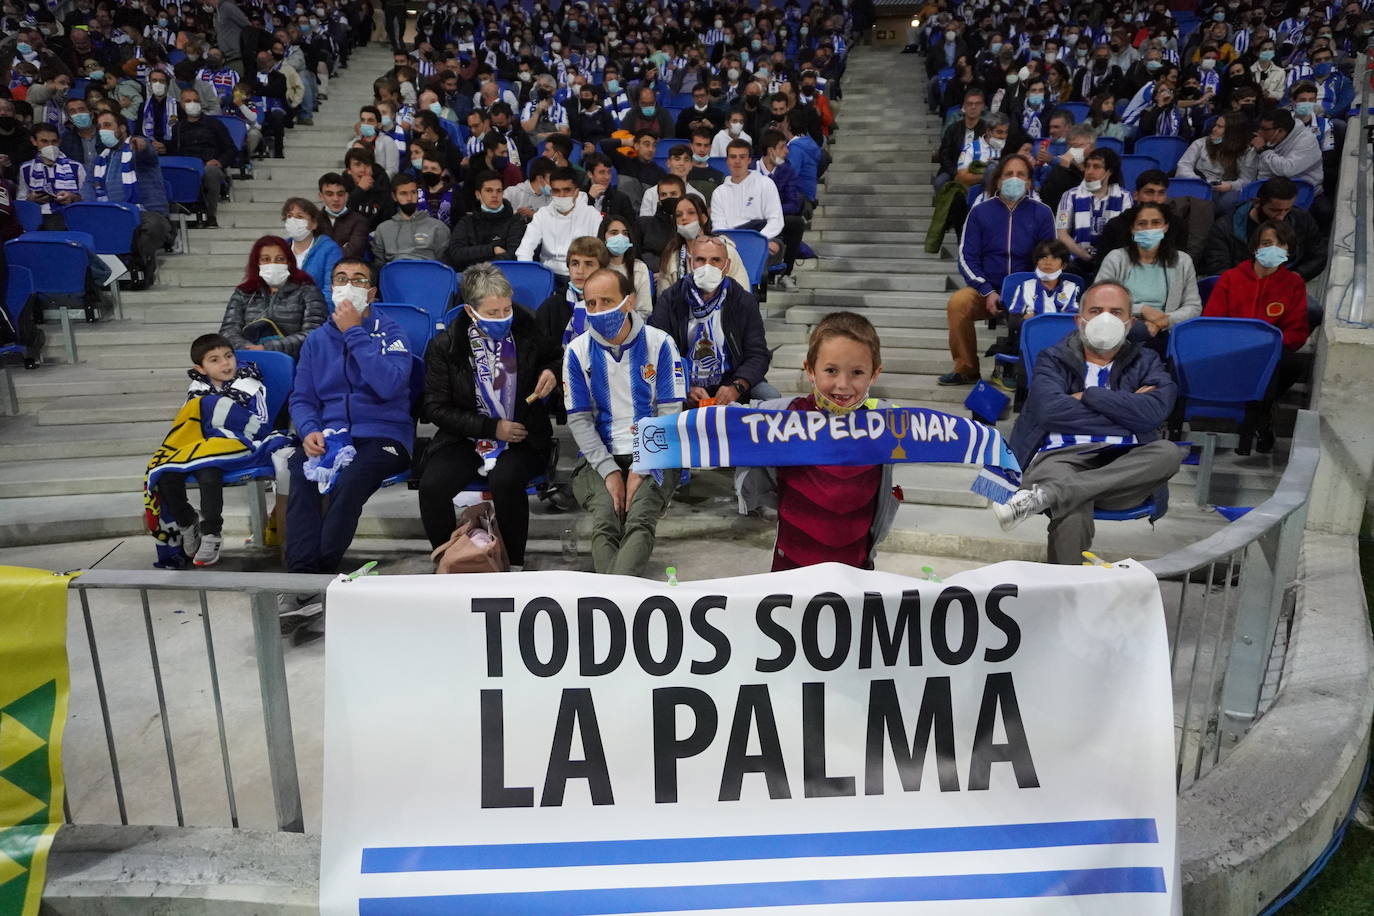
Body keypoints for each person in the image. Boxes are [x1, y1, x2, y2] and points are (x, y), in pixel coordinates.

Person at [997, 283, 1183, 565]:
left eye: (1115, 312)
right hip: (1059, 459)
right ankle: (1067, 594)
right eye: (1095, 311)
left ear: (1130, 323)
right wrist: (1125, 408)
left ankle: (1049, 495)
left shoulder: (1147, 360)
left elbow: (1153, 413)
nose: (1104, 319)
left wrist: (1088, 395)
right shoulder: (1053, 358)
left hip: (1125, 467)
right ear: (1079, 319)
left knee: (1168, 453)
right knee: (1073, 508)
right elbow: (1050, 411)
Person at [279, 258, 414, 628]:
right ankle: (303, 578)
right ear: (330, 288)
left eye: (357, 280)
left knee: (352, 479)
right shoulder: (317, 341)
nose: (348, 285)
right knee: (302, 474)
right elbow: (302, 397)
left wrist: (355, 332)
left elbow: (390, 385)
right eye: (341, 279)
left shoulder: (392, 333)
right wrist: (308, 429)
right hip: (331, 433)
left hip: (385, 435)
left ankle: (313, 583)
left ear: (371, 292)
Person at [418, 263, 560, 570]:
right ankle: (448, 559)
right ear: (470, 311)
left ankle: (515, 564)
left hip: (523, 435)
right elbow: (435, 408)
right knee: (432, 485)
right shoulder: (446, 345)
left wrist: (552, 372)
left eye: (506, 309)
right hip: (466, 437)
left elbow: (556, 356)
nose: (503, 318)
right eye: (492, 313)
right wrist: (491, 428)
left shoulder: (527, 326)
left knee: (506, 479)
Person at [737, 312, 900, 571]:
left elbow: (953, 436)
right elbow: (714, 427)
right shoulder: (784, 418)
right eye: (831, 371)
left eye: (857, 372)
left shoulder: (887, 425)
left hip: (856, 571)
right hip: (791, 569)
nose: (843, 385)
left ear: (874, 374)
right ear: (810, 370)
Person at [563, 267, 685, 576]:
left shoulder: (661, 344)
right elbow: (579, 421)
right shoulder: (576, 352)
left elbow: (669, 415)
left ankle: (610, 600)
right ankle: (617, 600)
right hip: (599, 457)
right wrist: (609, 472)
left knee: (639, 518)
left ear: (628, 301)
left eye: (607, 301)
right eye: (591, 304)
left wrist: (640, 467)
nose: (598, 311)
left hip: (654, 451)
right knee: (606, 519)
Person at [940, 154, 1056, 386]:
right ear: (998, 180)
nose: (1015, 179)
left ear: (1030, 182)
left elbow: (1050, 259)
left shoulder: (1042, 213)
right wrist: (986, 290)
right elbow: (966, 257)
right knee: (958, 303)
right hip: (987, 289)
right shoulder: (980, 212)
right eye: (1008, 174)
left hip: (1029, 291)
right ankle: (967, 369)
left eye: (1021, 175)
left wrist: (1028, 293)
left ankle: (1032, 373)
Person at [156, 333, 270, 567]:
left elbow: (260, 422)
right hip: (200, 445)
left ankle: (211, 533)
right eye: (215, 360)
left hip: (235, 445)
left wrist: (221, 413)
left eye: (228, 356)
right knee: (165, 473)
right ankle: (187, 522)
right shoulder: (197, 387)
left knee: (208, 475)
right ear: (201, 367)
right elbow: (189, 420)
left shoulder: (251, 384)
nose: (225, 363)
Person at [1204, 219, 1310, 454]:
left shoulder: (1293, 283)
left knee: (1287, 364)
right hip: (1231, 349)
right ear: (1255, 247)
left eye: (1280, 244)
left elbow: (1297, 330)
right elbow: (1212, 320)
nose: (1273, 248)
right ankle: (1258, 419)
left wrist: (1271, 344)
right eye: (1267, 243)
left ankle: (1260, 418)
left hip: (1270, 351)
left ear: (1288, 250)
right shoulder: (1231, 278)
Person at [650, 233, 777, 407]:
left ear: (727, 265)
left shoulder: (743, 301)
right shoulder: (670, 299)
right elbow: (656, 351)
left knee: (771, 398)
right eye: (700, 260)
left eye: (715, 260)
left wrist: (737, 386)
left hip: (732, 382)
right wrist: (684, 386)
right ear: (690, 263)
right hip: (682, 384)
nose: (707, 266)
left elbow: (758, 355)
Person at [1096, 203, 1202, 352]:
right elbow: (1100, 300)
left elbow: (1194, 306)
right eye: (1142, 223)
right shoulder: (1116, 258)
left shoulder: (1183, 261)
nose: (1149, 228)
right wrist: (1142, 310)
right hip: (1123, 327)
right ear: (1133, 229)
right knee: (1139, 331)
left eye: (1156, 223)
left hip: (1167, 328)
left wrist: (1164, 320)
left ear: (1165, 227)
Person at [88, 111, 174, 285]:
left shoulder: (135, 149)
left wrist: (143, 144)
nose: (102, 130)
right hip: (112, 216)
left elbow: (146, 150)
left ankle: (139, 265)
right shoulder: (100, 160)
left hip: (144, 213)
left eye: (107, 125)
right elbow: (88, 188)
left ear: (122, 128)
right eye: (99, 127)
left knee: (154, 225)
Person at [219, 235, 328, 359]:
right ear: (257, 263)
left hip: (297, 362)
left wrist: (268, 348)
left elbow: (314, 331)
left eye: (280, 259)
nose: (273, 264)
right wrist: (248, 349)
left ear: (289, 261)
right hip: (248, 360)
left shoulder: (308, 290)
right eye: (265, 259)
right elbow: (228, 330)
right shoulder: (244, 292)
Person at [1200, 177, 1326, 281]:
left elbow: (1318, 255)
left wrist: (1297, 275)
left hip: (1286, 284)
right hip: (1242, 288)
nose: (1281, 217)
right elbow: (1218, 269)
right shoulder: (1225, 227)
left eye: (1287, 210)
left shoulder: (1301, 219)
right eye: (1275, 210)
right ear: (1257, 202)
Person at [1092, 170, 1213, 272]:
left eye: (1161, 193)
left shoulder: (1177, 224)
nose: (1155, 199)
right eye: (1149, 192)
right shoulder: (1115, 225)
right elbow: (1102, 267)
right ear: (1136, 195)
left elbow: (1177, 265)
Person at [515, 166, 603, 282]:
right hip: (549, 275)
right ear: (551, 192)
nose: (561, 196)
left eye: (566, 190)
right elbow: (525, 250)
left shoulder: (592, 215)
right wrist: (527, 278)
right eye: (556, 191)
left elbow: (601, 252)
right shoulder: (542, 214)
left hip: (584, 275)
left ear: (576, 192)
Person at [165, 86, 234, 229]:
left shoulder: (215, 124)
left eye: (195, 100)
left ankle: (211, 216)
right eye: (188, 101)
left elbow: (231, 149)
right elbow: (173, 153)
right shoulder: (176, 128)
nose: (192, 104)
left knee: (211, 171)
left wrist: (220, 162)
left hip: (209, 167)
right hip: (186, 169)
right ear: (181, 104)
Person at [710, 138, 784, 269]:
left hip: (761, 237)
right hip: (730, 242)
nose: (737, 161)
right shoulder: (719, 192)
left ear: (749, 160)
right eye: (733, 157)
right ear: (727, 160)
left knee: (773, 247)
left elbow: (776, 221)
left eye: (742, 157)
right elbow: (718, 227)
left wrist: (755, 240)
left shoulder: (765, 183)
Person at [1055, 148, 1132, 274]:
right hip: (1076, 262)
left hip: (1112, 262)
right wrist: (1084, 255)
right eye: (1088, 166)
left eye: (1096, 167)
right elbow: (1062, 234)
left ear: (1109, 171)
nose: (1089, 171)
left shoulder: (1124, 197)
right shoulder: (1070, 195)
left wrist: (1104, 258)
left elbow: (1125, 235)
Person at [658, 195, 752, 291]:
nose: (684, 218)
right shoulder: (671, 256)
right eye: (678, 215)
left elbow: (743, 292)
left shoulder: (727, 250)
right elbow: (664, 299)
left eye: (691, 213)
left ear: (704, 218)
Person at [445, 169, 526, 271]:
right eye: (489, 190)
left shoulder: (515, 221)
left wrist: (475, 259)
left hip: (503, 277)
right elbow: (456, 254)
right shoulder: (466, 222)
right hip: (470, 278)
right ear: (478, 194)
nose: (494, 195)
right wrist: (492, 250)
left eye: (499, 191)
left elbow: (513, 256)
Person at [537, 236, 609, 344]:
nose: (580, 271)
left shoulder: (613, 306)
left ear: (602, 270)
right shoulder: (552, 306)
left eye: (589, 264)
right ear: (568, 267)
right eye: (575, 264)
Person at [1176, 114, 1250, 214]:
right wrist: (1198, 181)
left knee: (1231, 199)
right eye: (1215, 125)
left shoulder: (1246, 152)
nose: (1214, 129)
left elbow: (1247, 180)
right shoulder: (1200, 143)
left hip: (1224, 189)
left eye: (1219, 127)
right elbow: (1183, 166)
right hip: (1198, 184)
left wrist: (1230, 186)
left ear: (1232, 133)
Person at [18, 122, 87, 230]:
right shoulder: (26, 168)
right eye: (44, 141)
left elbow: (87, 198)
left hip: (69, 218)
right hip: (38, 219)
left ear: (59, 142)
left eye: (54, 141)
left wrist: (73, 197)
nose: (50, 146)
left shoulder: (76, 167)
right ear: (34, 141)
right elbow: (21, 201)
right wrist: (31, 199)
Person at [372, 173, 451, 264]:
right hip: (395, 275)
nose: (409, 198)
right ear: (394, 197)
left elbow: (443, 266)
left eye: (413, 192)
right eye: (403, 193)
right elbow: (379, 268)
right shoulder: (383, 229)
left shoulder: (438, 227)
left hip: (428, 275)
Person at [1243, 108, 1323, 193]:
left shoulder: (1307, 141)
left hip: (1302, 193)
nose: (1260, 132)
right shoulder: (1269, 140)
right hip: (1269, 190)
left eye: (1264, 129)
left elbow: (1287, 170)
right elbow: (1254, 171)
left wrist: (1263, 151)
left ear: (1280, 131)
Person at [280, 197, 342, 305]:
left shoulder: (330, 249)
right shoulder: (280, 249)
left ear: (314, 224)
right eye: (289, 216)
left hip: (316, 312)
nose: (293, 220)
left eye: (299, 217)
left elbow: (331, 290)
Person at [599, 214, 654, 314]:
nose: (620, 237)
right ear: (603, 237)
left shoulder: (639, 268)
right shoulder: (596, 267)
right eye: (614, 233)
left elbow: (645, 310)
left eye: (625, 233)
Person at [317, 171, 369, 260]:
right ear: (321, 196)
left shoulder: (359, 221)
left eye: (340, 194)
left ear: (346, 196)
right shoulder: (314, 220)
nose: (336, 199)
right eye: (329, 194)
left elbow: (353, 252)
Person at [581, 152, 635, 222]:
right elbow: (578, 222)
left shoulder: (622, 199)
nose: (607, 177)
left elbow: (630, 225)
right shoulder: (580, 195)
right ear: (590, 174)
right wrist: (590, 199)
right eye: (602, 172)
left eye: (609, 172)